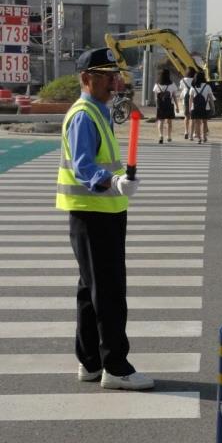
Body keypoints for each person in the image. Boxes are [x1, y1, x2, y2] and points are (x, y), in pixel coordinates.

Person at [55, 47, 153, 391]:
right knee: (108, 291)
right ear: (86, 79)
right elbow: (83, 165)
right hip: (94, 214)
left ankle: (90, 361)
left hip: (102, 212)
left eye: (114, 75)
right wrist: (114, 181)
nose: (114, 82)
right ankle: (116, 366)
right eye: (105, 76)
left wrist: (120, 180)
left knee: (90, 289)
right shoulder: (84, 113)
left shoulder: (99, 110)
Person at [153, 68, 180, 144]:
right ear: (168, 75)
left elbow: (156, 97)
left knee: (161, 121)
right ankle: (169, 136)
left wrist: (157, 106)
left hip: (160, 105)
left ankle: (161, 135)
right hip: (169, 105)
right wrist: (177, 107)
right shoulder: (172, 84)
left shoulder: (157, 84)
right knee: (169, 122)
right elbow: (174, 96)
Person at [189, 71, 215, 144]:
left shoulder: (193, 88)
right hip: (205, 107)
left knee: (197, 122)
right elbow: (210, 98)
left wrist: (189, 108)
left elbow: (190, 99)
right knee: (204, 122)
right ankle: (204, 137)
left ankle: (199, 138)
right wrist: (213, 107)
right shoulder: (207, 86)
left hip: (195, 108)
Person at [179, 67, 196, 140]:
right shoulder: (195, 79)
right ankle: (194, 132)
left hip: (185, 98)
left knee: (186, 116)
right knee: (193, 116)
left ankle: (186, 131)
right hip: (194, 97)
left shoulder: (182, 80)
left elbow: (181, 88)